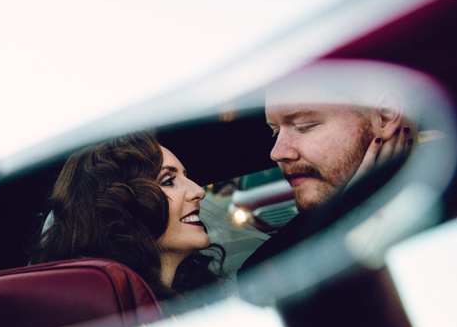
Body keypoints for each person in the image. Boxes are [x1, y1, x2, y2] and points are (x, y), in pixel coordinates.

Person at [240, 62, 420, 270]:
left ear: (385, 117)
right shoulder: (267, 267)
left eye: (304, 126)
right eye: (275, 132)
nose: (277, 152)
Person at [32, 131, 224, 301]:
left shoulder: (200, 296)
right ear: (117, 209)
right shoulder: (114, 321)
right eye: (168, 181)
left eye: (186, 176)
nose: (198, 191)